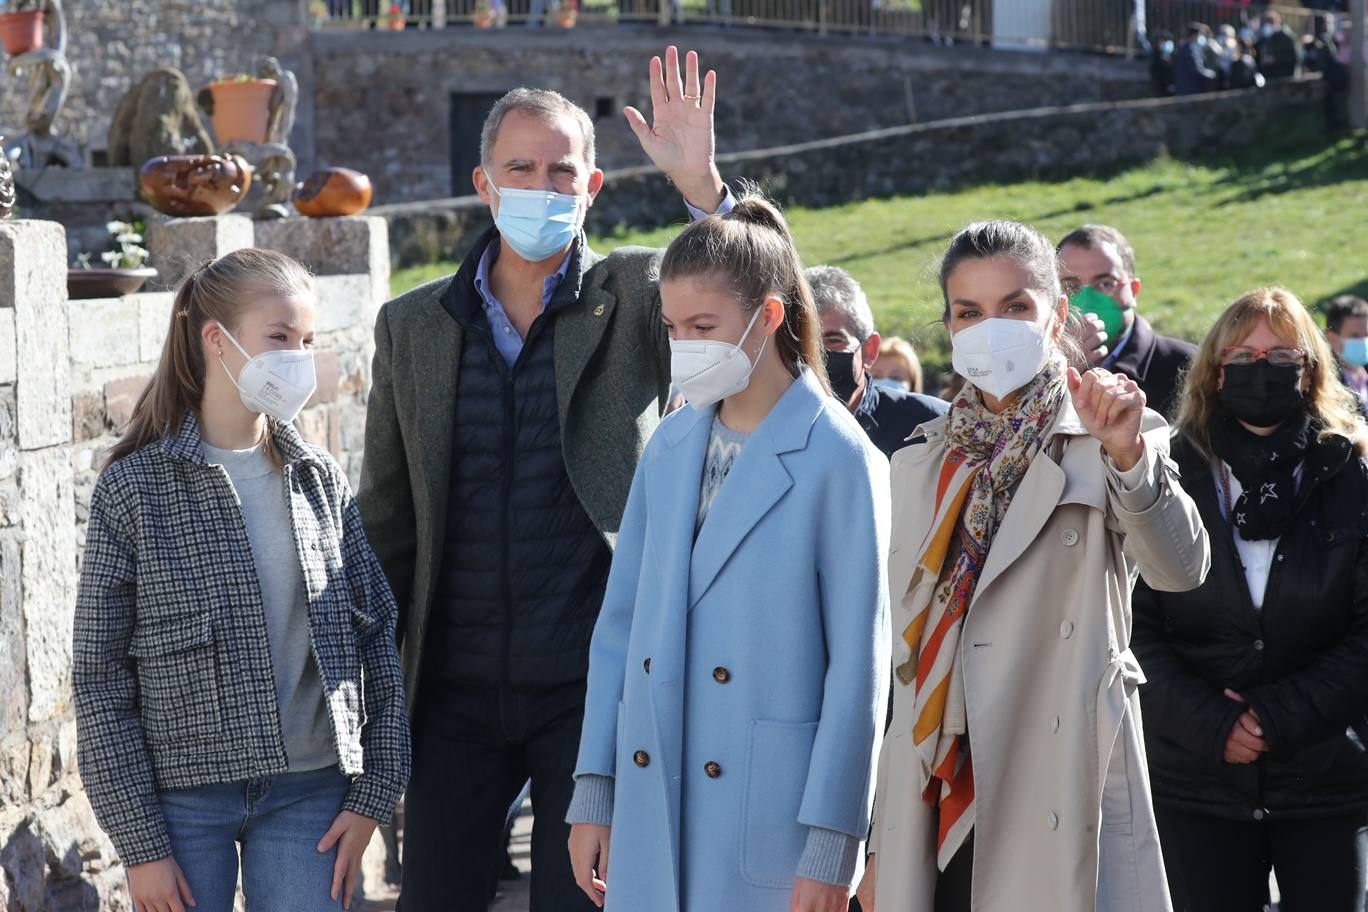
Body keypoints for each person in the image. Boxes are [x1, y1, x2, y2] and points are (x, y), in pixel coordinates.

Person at [357, 48, 737, 912]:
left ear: (592, 186)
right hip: (450, 694)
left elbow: (763, 289)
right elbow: (385, 521)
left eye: (561, 170)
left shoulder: (640, 291)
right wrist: (368, 696)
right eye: (520, 168)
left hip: (591, 690)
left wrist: (707, 191)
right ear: (484, 183)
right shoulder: (411, 326)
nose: (541, 184)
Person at [857, 220, 1210, 912]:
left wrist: (1130, 457)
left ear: (1057, 317)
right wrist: (879, 843)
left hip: (1058, 774)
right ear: (949, 327)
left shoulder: (1104, 434)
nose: (992, 328)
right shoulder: (921, 462)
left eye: (1016, 307)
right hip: (938, 782)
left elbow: (1181, 568)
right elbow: (903, 657)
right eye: (969, 312)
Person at [567, 194, 890, 912]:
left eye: (704, 327)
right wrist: (595, 788)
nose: (687, 347)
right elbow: (618, 631)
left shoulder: (842, 457)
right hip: (653, 805)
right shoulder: (670, 446)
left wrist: (835, 842)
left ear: (769, 316)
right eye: (675, 328)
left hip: (769, 820)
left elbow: (859, 673)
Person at [73, 249, 410, 912]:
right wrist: (142, 847)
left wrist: (377, 791)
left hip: (312, 791)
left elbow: (379, 638)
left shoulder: (319, 480)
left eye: (306, 341)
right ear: (215, 340)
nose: (297, 358)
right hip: (183, 802)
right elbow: (99, 675)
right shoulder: (133, 490)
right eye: (279, 338)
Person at [1130, 287, 1368, 911]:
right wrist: (1213, 724)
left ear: (1312, 370)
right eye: (1242, 355)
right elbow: (1130, 627)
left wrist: (1276, 717)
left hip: (1325, 775)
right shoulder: (1165, 472)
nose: (1260, 371)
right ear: (1213, 371)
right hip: (1193, 782)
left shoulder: (1352, 475)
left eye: (1281, 356)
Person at [806, 264, 948, 457]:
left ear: (869, 350)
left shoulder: (934, 430)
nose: (815, 354)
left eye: (833, 340)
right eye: (802, 342)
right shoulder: (766, 430)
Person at [1059, 223, 1197, 420]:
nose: (1087, 300)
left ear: (1133, 290)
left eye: (1105, 283)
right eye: (1070, 286)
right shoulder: (1030, 365)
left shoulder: (1189, 367)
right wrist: (1057, 371)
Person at [1325, 294, 1368, 408]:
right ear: (1332, 338)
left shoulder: (1364, 373)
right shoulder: (1326, 386)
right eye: (1355, 336)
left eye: (1366, 335)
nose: (1363, 341)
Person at [1256, 11, 1302, 81]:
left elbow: (1296, 58)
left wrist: (1275, 59)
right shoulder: (1265, 39)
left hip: (1285, 78)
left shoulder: (1288, 37)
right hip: (1269, 78)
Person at [1174, 24, 1219, 95]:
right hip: (1191, 91)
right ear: (1194, 36)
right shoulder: (1191, 50)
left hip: (1186, 90)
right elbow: (1196, 70)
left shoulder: (1186, 48)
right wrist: (1212, 74)